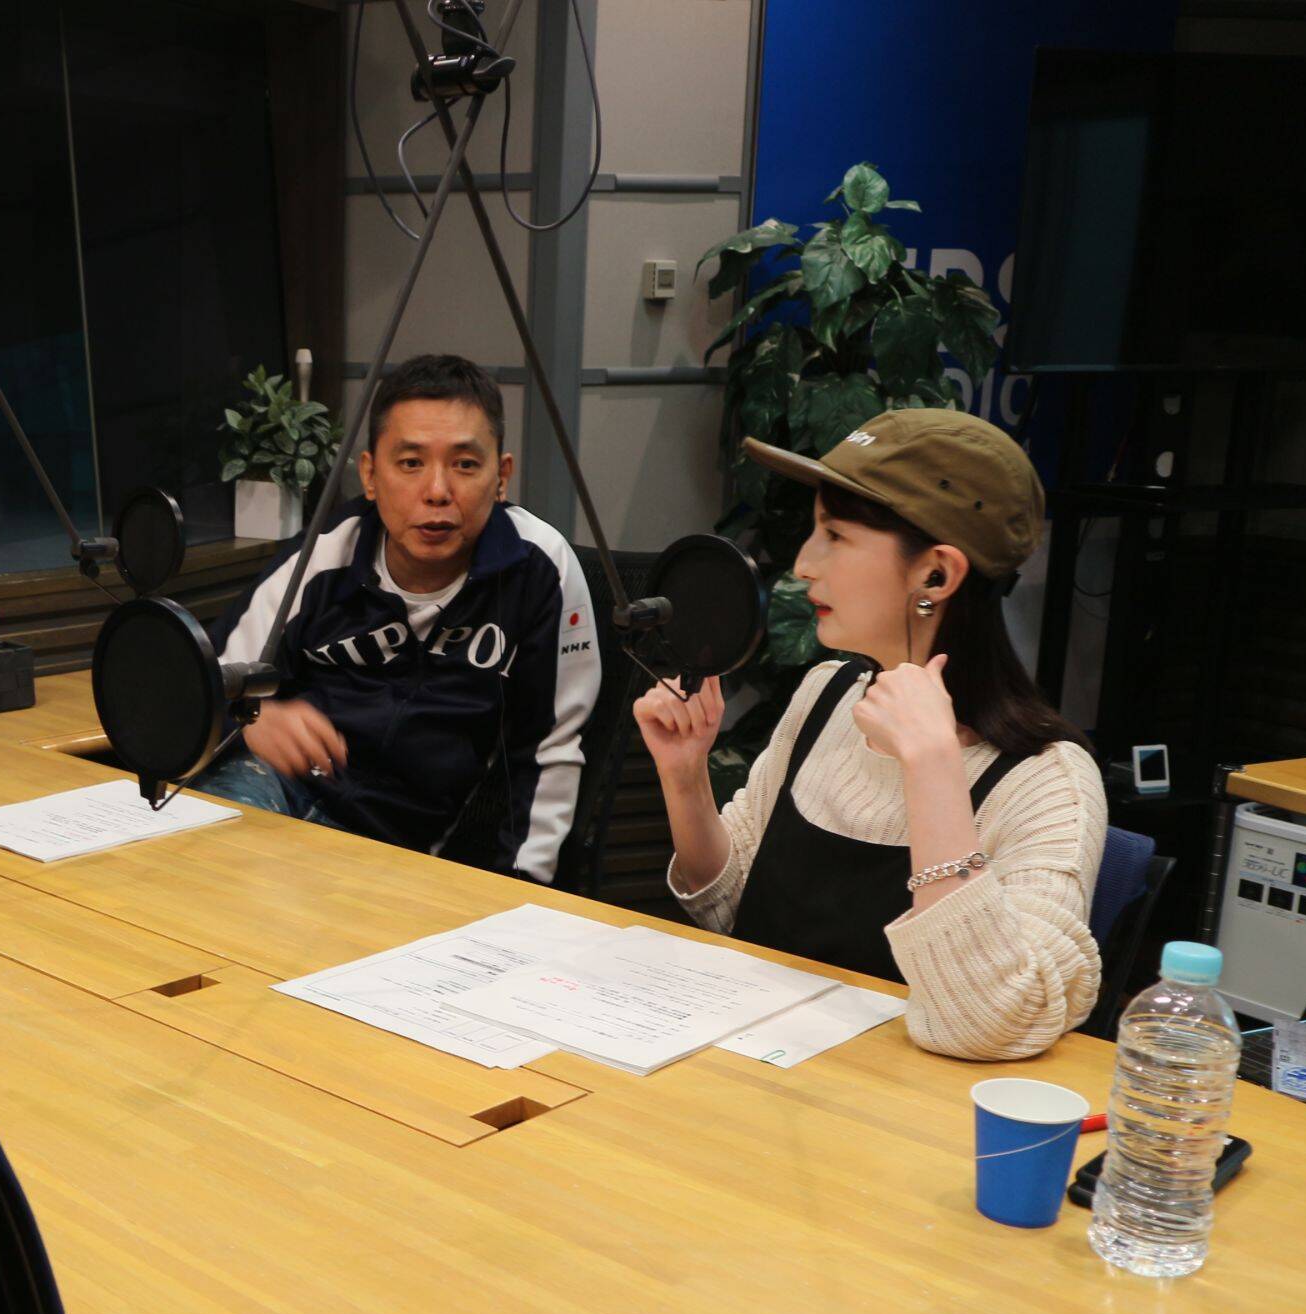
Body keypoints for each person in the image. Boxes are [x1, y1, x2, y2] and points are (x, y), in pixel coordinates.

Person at [636, 407, 1105, 1061]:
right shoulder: (826, 695)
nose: (804, 564)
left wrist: (933, 769)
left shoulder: (1046, 779)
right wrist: (686, 776)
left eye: (836, 535)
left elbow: (989, 1023)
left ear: (936, 574)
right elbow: (729, 908)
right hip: (760, 1077)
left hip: (896, 1112)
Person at [200, 353, 599, 882]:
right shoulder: (326, 553)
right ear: (370, 475)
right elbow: (207, 683)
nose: (437, 491)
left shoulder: (541, 570)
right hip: (274, 789)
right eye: (410, 463)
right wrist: (252, 718)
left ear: (502, 476)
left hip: (394, 852)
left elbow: (549, 754)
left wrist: (522, 896)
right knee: (198, 866)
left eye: (465, 464)